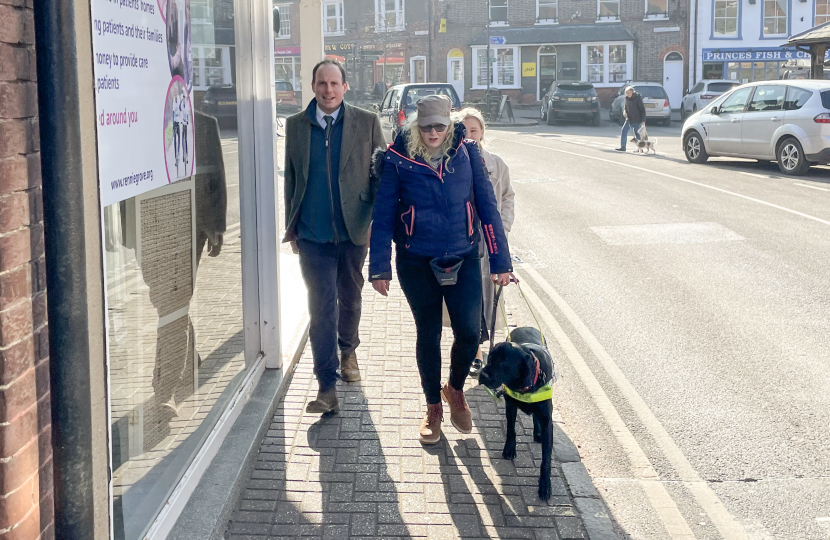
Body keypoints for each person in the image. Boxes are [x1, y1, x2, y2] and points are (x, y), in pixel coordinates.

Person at [369, 95, 515, 445]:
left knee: (468, 332)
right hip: (416, 260)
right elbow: (384, 213)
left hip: (463, 256)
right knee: (429, 333)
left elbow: (488, 208)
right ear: (416, 127)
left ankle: (455, 388)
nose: (433, 132)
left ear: (450, 125)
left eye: (440, 125)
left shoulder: (468, 154)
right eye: (426, 126)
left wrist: (500, 261)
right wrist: (379, 268)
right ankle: (433, 407)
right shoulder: (398, 158)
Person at [283, 59, 385, 415]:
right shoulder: (296, 126)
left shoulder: (367, 122)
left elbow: (380, 177)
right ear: (313, 87)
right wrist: (291, 225)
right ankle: (326, 385)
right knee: (321, 307)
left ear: (345, 87)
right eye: (321, 83)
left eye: (334, 84)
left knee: (350, 297)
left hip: (354, 228)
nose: (328, 90)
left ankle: (348, 349)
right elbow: (292, 180)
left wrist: (376, 222)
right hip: (312, 234)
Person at [454, 108, 515, 375]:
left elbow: (508, 197)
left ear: (482, 134)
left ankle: (490, 354)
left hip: (490, 242)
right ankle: (474, 351)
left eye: (474, 130)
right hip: (464, 243)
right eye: (464, 130)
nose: (470, 135)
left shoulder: (497, 163)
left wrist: (503, 227)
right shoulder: (453, 162)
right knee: (470, 300)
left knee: (489, 300)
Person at [615, 86, 646, 152]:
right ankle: (623, 147)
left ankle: (640, 148)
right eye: (627, 93)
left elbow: (642, 109)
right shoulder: (626, 98)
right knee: (624, 131)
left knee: (636, 133)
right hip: (629, 118)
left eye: (629, 93)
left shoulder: (637, 98)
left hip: (637, 118)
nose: (628, 94)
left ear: (632, 92)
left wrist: (643, 120)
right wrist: (625, 113)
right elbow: (625, 108)